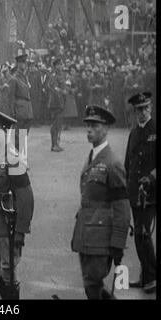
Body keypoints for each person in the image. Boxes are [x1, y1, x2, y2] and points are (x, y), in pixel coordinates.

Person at [71, 105, 131, 299]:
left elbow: (121, 207)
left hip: (100, 237)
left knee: (93, 284)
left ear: (105, 129)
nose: (89, 129)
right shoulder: (92, 157)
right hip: (87, 234)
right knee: (92, 284)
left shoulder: (112, 163)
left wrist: (118, 243)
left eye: (94, 125)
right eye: (87, 125)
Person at [0, 108, 34, 299]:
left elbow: (26, 197)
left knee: (7, 270)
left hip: (8, 226)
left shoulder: (13, 159)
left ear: (4, 132)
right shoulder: (0, 154)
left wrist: (21, 231)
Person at [125, 92, 156, 294]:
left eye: (146, 108)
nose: (143, 112)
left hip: (151, 193)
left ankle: (151, 276)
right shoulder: (134, 132)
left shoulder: (155, 130)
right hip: (136, 192)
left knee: (142, 235)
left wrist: (152, 178)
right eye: (139, 110)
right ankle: (146, 276)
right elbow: (129, 162)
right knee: (139, 235)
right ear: (135, 112)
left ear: (151, 108)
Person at [8, 52, 34, 152]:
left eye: (25, 63)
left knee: (24, 135)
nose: (25, 65)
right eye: (23, 63)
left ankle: (19, 156)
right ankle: (16, 157)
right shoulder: (14, 79)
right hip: (19, 109)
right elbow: (11, 97)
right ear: (18, 64)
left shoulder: (25, 77)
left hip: (27, 109)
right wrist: (12, 111)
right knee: (18, 135)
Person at [48, 58, 66, 152]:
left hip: (60, 102)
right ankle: (54, 144)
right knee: (55, 124)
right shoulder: (53, 76)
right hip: (55, 103)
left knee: (58, 124)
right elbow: (55, 89)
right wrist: (63, 92)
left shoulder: (61, 76)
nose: (61, 66)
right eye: (59, 65)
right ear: (55, 66)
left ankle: (56, 144)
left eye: (61, 64)